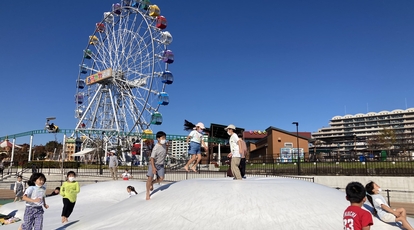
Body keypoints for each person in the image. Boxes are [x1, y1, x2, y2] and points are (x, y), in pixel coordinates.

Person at [146, 131, 168, 200]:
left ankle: (152, 183)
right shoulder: (156, 147)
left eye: (165, 138)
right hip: (154, 164)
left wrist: (167, 147)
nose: (164, 139)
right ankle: (147, 193)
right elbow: (152, 158)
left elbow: (165, 153)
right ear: (158, 138)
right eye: (163, 138)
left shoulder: (164, 145)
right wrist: (153, 168)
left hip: (161, 165)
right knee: (150, 178)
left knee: (161, 178)